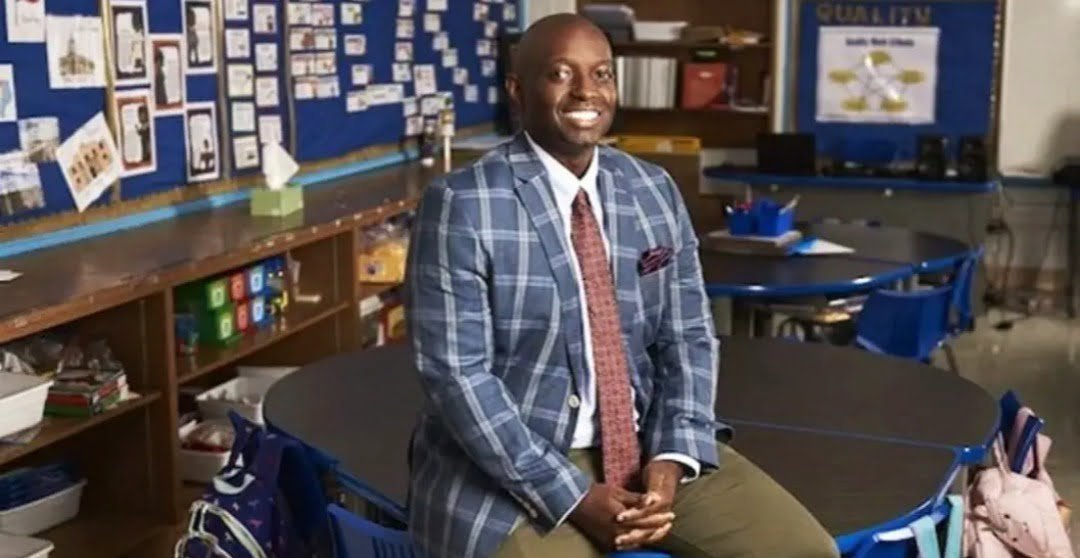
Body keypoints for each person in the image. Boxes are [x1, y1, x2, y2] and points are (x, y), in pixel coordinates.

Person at [404, 13, 839, 558]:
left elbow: (688, 339)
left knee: (807, 551)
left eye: (602, 74)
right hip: (516, 468)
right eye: (561, 73)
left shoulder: (652, 189)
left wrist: (670, 462)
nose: (587, 90)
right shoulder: (462, 204)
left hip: (643, 445)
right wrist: (574, 495)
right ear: (518, 91)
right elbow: (457, 379)